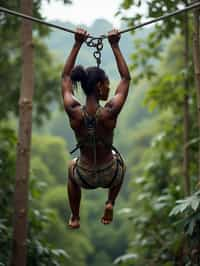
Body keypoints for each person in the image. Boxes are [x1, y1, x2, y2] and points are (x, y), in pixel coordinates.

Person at [61, 28, 131, 229]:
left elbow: (65, 77)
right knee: (121, 162)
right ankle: (110, 202)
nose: (109, 88)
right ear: (100, 86)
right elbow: (126, 79)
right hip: (111, 173)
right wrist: (115, 46)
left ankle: (75, 216)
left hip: (84, 175)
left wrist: (77, 43)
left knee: (70, 167)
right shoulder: (109, 112)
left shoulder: (74, 112)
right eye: (107, 85)